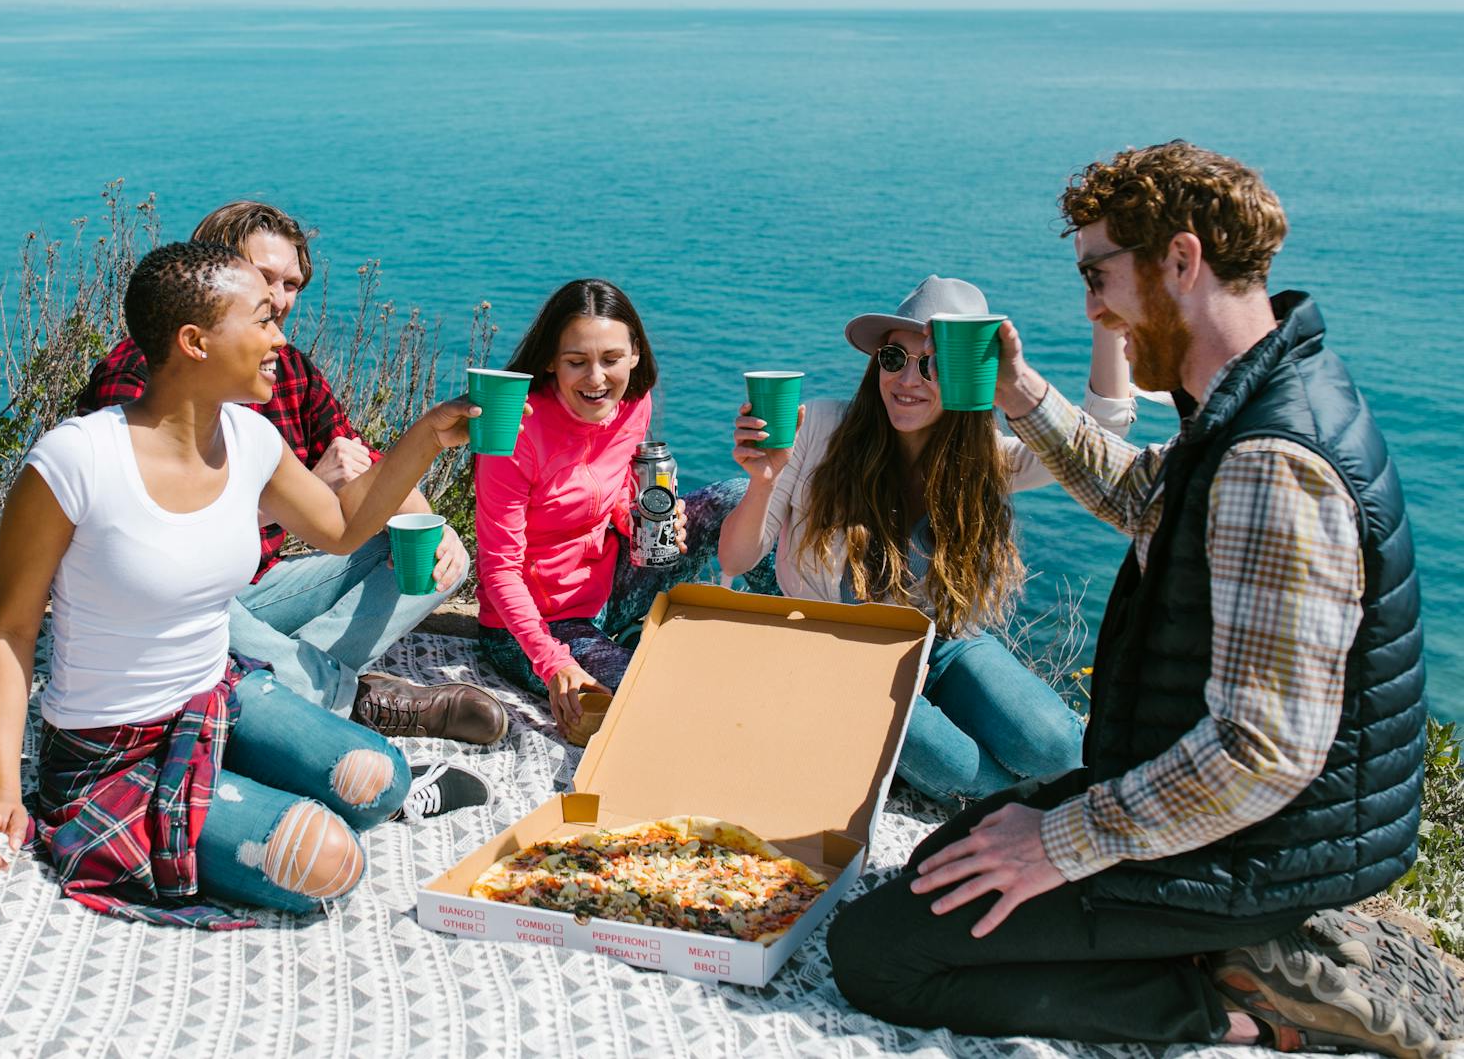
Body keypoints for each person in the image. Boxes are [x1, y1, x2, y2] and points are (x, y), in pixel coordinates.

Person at [826, 142, 1450, 1057]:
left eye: (1098, 275)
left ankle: (1246, 1006)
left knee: (877, 953)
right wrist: (1019, 391)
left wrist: (1060, 841)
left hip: (1252, 844)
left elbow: (1261, 754)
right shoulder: (1254, 401)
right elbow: (1137, 494)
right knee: (944, 861)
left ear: (1182, 260)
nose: (1093, 308)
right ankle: (1218, 949)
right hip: (1250, 823)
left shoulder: (1272, 463)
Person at [0, 241, 495, 924]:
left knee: (380, 781)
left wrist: (426, 437)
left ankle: (231, 785)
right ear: (195, 341)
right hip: (110, 752)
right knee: (329, 865)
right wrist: (0, 787)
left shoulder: (249, 437)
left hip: (217, 697)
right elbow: (9, 630)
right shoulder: (75, 461)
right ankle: (211, 801)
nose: (278, 337)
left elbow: (340, 529)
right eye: (262, 319)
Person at [76, 201, 505, 746]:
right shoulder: (146, 375)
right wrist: (309, 489)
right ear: (219, 274)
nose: (279, 300)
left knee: (435, 555)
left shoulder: (290, 370)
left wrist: (431, 526)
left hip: (264, 589)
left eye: (292, 283)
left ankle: (270, 686)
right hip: (183, 599)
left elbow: (369, 473)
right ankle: (344, 698)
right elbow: (129, 541)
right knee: (197, 606)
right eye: (265, 279)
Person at [717, 276, 1134, 804]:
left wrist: (1109, 320)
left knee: (1058, 749)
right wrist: (764, 480)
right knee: (965, 778)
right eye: (894, 358)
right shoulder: (818, 427)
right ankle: (1041, 824)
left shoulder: (987, 458)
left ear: (970, 375)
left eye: (933, 362)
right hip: (843, 656)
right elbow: (735, 556)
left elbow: (1100, 438)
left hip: (944, 644)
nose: (908, 379)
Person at [472, 279, 770, 739]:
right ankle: (623, 650)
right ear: (551, 362)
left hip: (610, 585)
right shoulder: (513, 431)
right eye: (577, 362)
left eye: (611, 360)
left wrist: (642, 525)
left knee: (735, 495)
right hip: (538, 625)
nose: (596, 379)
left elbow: (612, 497)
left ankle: (789, 638)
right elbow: (498, 569)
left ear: (635, 354)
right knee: (649, 695)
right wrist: (553, 661)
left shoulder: (633, 404)